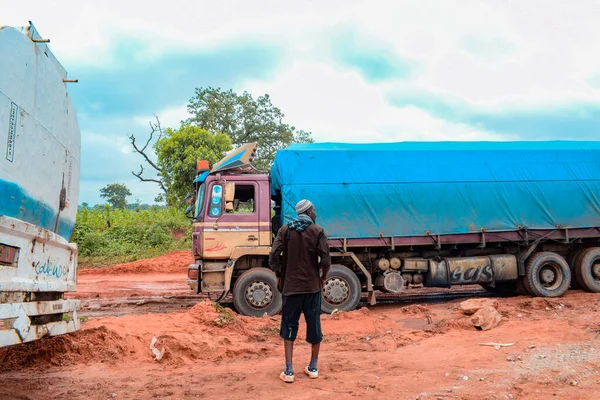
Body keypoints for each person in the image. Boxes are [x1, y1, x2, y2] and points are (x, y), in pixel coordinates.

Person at [269, 199, 331, 383]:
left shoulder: (285, 230)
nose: (316, 213)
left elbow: (273, 256)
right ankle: (313, 367)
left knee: (289, 326)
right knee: (314, 326)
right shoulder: (318, 231)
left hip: (291, 288)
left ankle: (288, 371)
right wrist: (322, 276)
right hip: (312, 288)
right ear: (309, 212)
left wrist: (280, 275)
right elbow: (326, 261)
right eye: (314, 210)